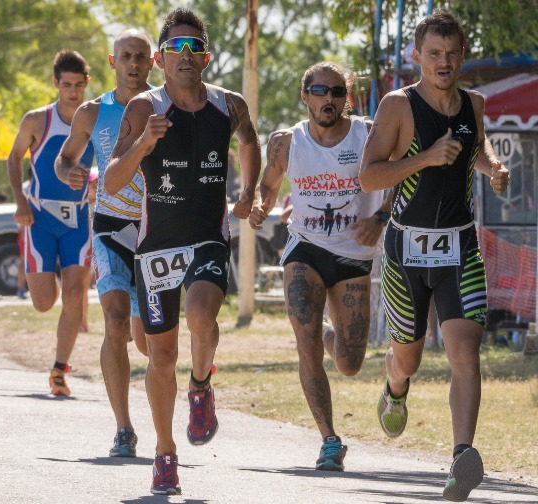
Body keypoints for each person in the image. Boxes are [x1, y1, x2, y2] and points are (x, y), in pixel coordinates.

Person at [104, 9, 263, 495]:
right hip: (155, 248)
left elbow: (250, 141)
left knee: (201, 316)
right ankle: (164, 451)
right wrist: (144, 144)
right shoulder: (142, 109)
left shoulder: (229, 105)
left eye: (195, 47)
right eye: (177, 48)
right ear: (159, 58)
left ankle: (199, 386)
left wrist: (249, 190)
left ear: (208, 57)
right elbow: (112, 181)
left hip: (208, 236)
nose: (187, 56)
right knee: (159, 355)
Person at [359, 13, 510, 502]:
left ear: (462, 54)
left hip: (460, 247)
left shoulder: (476, 104)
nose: (443, 62)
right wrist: (424, 158)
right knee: (410, 356)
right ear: (417, 57)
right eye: (434, 54)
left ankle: (462, 456)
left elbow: (475, 150)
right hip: (406, 251)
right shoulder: (398, 106)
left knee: (466, 351)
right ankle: (396, 386)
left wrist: (492, 169)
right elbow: (369, 177)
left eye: (451, 53)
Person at [256, 61, 392, 472]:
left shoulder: (368, 134)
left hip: (354, 255)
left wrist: (381, 218)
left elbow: (404, 175)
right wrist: (263, 205)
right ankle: (329, 440)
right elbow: (269, 181)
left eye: (337, 92)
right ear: (306, 96)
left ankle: (326, 333)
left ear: (346, 98)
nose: (329, 99)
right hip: (305, 248)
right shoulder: (285, 141)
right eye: (320, 91)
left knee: (350, 363)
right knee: (306, 341)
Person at [54, 28, 153, 457]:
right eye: (125, 55)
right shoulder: (92, 113)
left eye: (141, 56)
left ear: (153, 62)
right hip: (111, 225)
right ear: (113, 63)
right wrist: (69, 173)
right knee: (114, 320)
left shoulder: (170, 105)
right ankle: (123, 428)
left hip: (158, 230)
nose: (133, 63)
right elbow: (65, 158)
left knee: (150, 339)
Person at [7, 49, 95, 396]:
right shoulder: (37, 120)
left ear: (87, 83)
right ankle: (54, 285)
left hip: (78, 218)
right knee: (44, 302)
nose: (72, 92)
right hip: (39, 215)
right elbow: (14, 159)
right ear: (56, 84)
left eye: (78, 85)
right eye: (66, 85)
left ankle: (59, 369)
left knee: (75, 294)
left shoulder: (95, 119)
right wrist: (19, 202)